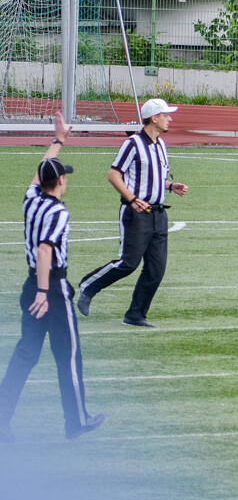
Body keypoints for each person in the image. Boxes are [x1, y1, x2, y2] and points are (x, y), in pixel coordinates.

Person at [0, 113, 104, 442]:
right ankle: (76, 420)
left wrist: (58, 141)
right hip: (52, 288)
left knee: (25, 354)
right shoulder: (58, 212)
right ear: (60, 182)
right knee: (68, 354)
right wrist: (45, 293)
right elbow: (46, 250)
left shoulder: (31, 200)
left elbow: (39, 172)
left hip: (31, 283)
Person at [78, 98, 189, 327]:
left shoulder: (161, 144)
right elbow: (114, 174)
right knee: (128, 263)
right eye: (166, 114)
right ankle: (88, 286)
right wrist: (132, 199)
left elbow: (156, 176)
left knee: (156, 269)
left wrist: (170, 186)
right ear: (154, 118)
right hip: (137, 212)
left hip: (159, 214)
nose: (170, 118)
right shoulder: (133, 143)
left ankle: (135, 314)